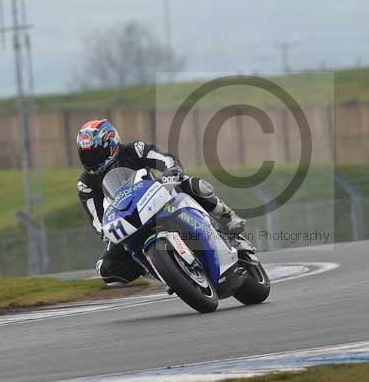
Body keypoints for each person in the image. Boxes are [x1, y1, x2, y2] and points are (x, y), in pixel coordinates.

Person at [75, 119, 245, 284]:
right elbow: (97, 220)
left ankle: (227, 217)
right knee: (106, 268)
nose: (92, 161)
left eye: (96, 154)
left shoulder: (135, 150)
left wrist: (171, 169)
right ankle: (157, 268)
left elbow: (165, 159)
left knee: (188, 183)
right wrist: (106, 232)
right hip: (128, 218)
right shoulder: (86, 184)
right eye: (87, 156)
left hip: (158, 197)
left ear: (111, 144)